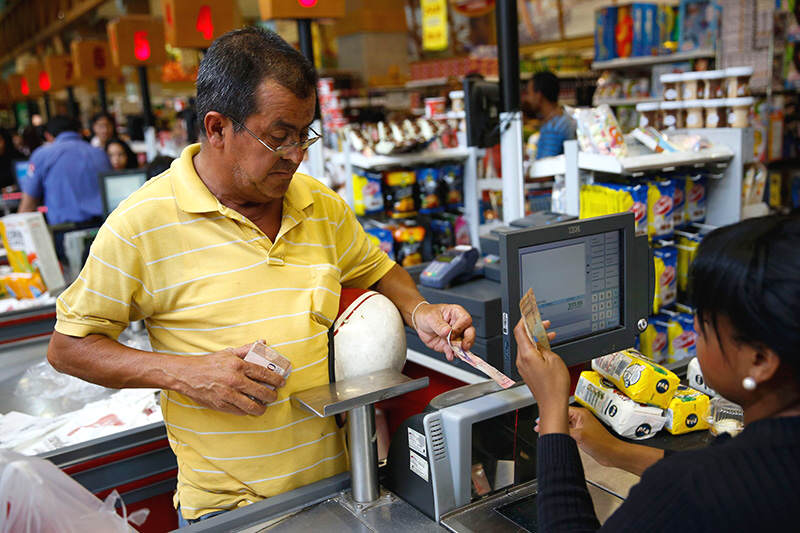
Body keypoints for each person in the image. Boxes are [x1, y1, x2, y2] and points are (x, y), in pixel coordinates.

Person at [47, 27, 476, 526]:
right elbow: (69, 347)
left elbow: (377, 269)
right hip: (230, 513)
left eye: (305, 133)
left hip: (339, 488)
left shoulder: (319, 204)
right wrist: (186, 374)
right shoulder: (142, 225)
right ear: (216, 128)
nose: (297, 153)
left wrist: (419, 310)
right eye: (278, 137)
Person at [515, 215, 800, 531]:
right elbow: (730, 472)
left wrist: (552, 406)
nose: (695, 330)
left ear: (759, 360)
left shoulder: (687, 492)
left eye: (704, 323)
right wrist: (616, 452)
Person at [19, 115, 110, 260]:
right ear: (79, 131)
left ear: (48, 136)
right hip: (103, 230)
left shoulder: (42, 155)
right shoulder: (100, 154)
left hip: (65, 234)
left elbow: (27, 206)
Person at [521, 71, 576, 159]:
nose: (527, 98)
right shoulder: (562, 118)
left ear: (538, 96)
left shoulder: (552, 128)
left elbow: (544, 165)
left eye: (528, 93)